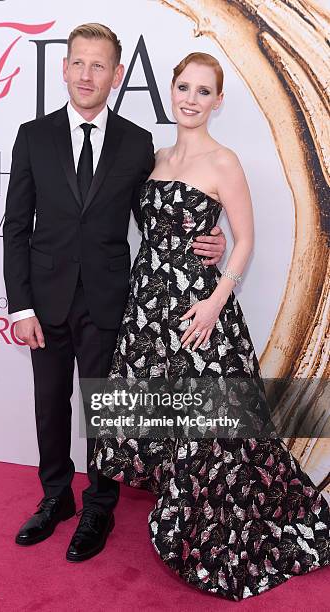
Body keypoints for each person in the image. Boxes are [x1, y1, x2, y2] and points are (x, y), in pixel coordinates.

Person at [92, 52, 330, 599]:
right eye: (183, 87)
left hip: (201, 313)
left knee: (214, 434)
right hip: (149, 310)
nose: (191, 99)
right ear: (170, 92)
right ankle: (181, 512)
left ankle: (213, 531)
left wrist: (217, 298)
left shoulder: (224, 162)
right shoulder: (153, 157)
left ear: (218, 101)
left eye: (203, 91)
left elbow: (243, 239)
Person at [3, 25, 226, 562]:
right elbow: (16, 226)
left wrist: (210, 238)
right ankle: (55, 497)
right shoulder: (33, 135)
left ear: (116, 75)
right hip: (46, 301)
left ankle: (99, 505)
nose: (86, 74)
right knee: (48, 406)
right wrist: (20, 305)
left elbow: (157, 216)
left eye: (98, 65)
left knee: (105, 411)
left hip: (109, 301)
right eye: (78, 63)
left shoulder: (135, 142)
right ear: (64, 68)